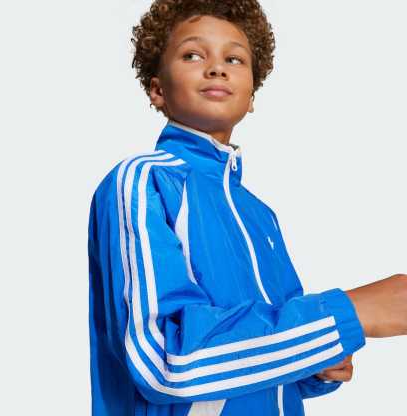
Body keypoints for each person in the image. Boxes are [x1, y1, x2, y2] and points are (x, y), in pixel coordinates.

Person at [87, 1, 407, 415]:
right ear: (158, 89)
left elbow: (260, 352)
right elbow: (163, 361)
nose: (216, 68)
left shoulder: (260, 215)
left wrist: (317, 363)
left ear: (252, 94)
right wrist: (349, 312)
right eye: (193, 55)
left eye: (234, 59)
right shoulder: (144, 180)